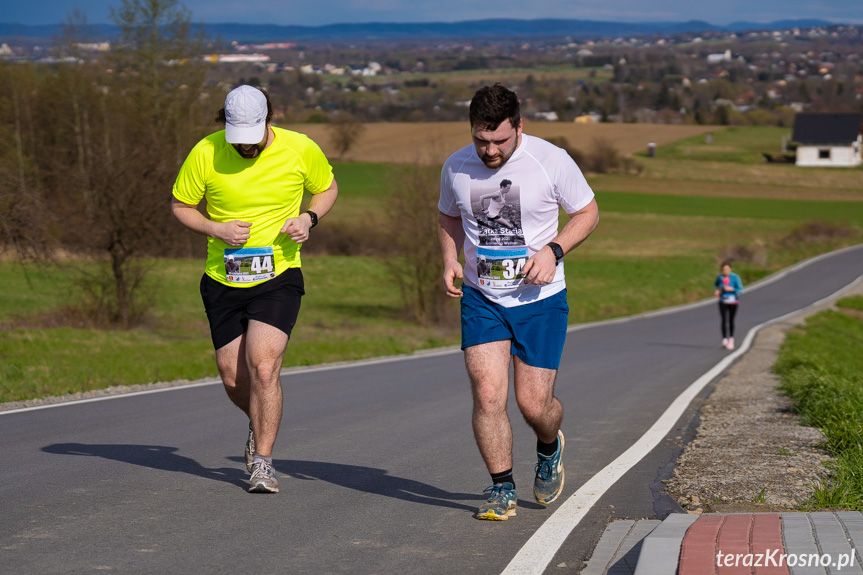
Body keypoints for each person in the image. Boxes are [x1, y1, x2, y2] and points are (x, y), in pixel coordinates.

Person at [438, 84, 599, 521]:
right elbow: (450, 215)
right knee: (488, 393)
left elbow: (588, 213)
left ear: (519, 127)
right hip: (482, 297)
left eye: (500, 141)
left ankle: (550, 446)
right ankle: (501, 488)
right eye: (480, 140)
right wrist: (450, 258)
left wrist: (553, 251)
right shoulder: (456, 166)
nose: (489, 150)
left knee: (533, 405)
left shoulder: (550, 161)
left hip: (540, 300)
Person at [171, 85, 338, 493]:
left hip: (278, 275)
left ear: (268, 120)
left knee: (264, 367)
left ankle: (262, 463)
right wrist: (215, 228)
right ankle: (258, 420)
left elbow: (328, 187)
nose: (245, 147)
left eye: (252, 137)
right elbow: (180, 205)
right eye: (237, 139)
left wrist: (309, 218)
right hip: (222, 279)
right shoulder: (206, 152)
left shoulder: (300, 148)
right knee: (233, 378)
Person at [714, 261, 743, 350]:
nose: (725, 271)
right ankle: (724, 339)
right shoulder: (719, 278)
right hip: (723, 300)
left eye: (727, 269)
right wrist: (716, 291)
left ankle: (731, 338)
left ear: (730, 269)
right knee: (723, 319)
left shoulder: (735, 277)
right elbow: (715, 286)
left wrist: (732, 289)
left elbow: (740, 290)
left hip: (733, 301)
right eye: (723, 269)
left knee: (731, 320)